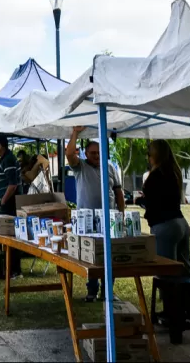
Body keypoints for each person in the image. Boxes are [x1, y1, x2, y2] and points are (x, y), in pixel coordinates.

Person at [143, 140, 190, 322]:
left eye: (149, 154)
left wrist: (142, 200)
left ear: (155, 155)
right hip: (180, 223)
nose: (148, 158)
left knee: (167, 272)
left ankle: (173, 313)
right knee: (186, 268)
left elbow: (154, 202)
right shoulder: (173, 172)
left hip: (164, 226)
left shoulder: (156, 176)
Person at [66, 126, 125, 302]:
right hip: (87, 221)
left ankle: (108, 291)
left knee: (109, 255)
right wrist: (75, 133)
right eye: (93, 153)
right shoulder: (80, 166)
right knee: (91, 255)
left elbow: (118, 192)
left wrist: (121, 215)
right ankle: (92, 290)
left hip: (109, 220)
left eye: (99, 153)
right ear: (85, 154)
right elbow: (69, 154)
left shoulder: (110, 167)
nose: (97, 156)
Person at [0, 136, 23, 278]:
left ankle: (14, 270)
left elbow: (12, 184)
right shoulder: (5, 159)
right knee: (9, 236)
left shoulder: (9, 160)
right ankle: (10, 268)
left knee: (11, 236)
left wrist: (3, 200)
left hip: (11, 203)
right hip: (9, 202)